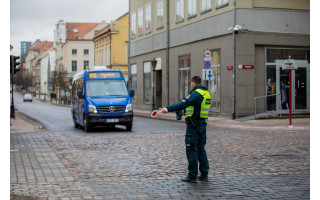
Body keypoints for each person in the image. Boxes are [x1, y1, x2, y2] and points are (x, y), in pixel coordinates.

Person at [160, 76, 211, 183]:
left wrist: (167, 109)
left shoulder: (196, 94)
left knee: (191, 148)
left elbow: (183, 103)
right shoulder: (206, 93)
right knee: (201, 149)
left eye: (191, 83)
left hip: (194, 125)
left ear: (193, 83)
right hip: (202, 124)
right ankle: (204, 174)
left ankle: (192, 175)